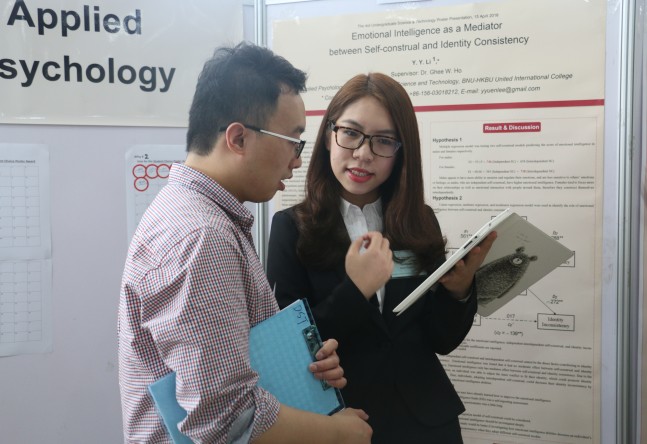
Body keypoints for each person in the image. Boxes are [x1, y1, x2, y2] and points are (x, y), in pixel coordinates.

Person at [118, 42, 373, 444]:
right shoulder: (201, 237)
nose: (296, 160)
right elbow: (228, 421)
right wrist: (337, 433)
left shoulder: (200, 216)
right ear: (238, 138)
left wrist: (298, 365)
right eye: (293, 140)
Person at [266, 72, 497, 443]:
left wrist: (459, 293)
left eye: (384, 141)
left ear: (401, 152)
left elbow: (442, 339)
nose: (363, 153)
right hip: (343, 421)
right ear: (328, 137)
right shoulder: (291, 227)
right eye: (351, 133)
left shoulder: (419, 221)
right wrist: (356, 290)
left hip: (426, 423)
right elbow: (291, 350)